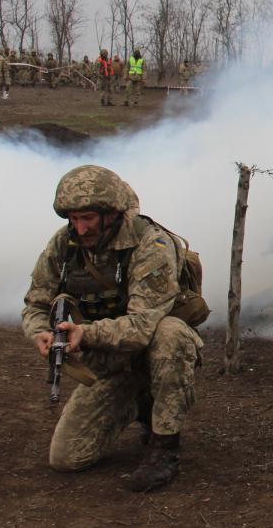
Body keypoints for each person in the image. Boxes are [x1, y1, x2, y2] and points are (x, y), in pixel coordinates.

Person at [21, 165, 206, 492]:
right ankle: (139, 403)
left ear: (112, 213)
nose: (81, 227)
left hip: (149, 352)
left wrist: (86, 334)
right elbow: (36, 303)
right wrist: (41, 333)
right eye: (74, 218)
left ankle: (165, 447)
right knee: (66, 458)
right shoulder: (64, 245)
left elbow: (141, 326)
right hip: (109, 364)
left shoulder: (152, 245)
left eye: (88, 218)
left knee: (171, 334)